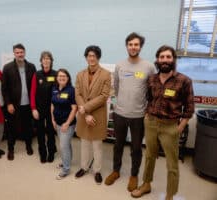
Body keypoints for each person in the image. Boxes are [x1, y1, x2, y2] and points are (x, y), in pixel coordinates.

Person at [131, 45, 195, 200]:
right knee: (149, 156)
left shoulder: (184, 81)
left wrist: (179, 127)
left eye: (168, 57)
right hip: (151, 123)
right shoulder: (152, 79)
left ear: (173, 59)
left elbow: (190, 107)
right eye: (162, 57)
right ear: (157, 60)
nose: (165, 60)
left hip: (170, 127)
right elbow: (148, 98)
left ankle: (169, 194)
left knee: (172, 164)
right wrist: (147, 115)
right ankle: (146, 184)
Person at [105, 32, 156, 191]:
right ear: (126, 46)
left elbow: (152, 91)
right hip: (120, 113)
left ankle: (134, 175)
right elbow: (117, 88)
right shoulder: (120, 65)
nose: (133, 47)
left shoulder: (148, 67)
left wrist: (147, 109)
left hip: (138, 116)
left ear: (140, 46)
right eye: (130, 44)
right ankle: (116, 171)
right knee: (117, 145)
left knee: (135, 148)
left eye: (136, 44)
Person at [74, 45, 111, 184]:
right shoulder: (80, 74)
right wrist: (84, 113)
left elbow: (104, 95)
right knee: (84, 143)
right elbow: (77, 94)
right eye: (89, 56)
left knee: (97, 145)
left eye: (94, 56)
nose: (91, 58)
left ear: (98, 57)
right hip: (84, 115)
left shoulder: (106, 74)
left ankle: (97, 170)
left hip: (97, 115)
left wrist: (86, 108)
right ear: (86, 58)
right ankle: (83, 167)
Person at [1, 43, 36, 160]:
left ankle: (28, 146)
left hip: (28, 104)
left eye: (21, 52)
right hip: (14, 105)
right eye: (17, 52)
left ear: (24, 52)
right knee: (12, 128)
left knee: (28, 127)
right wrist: (8, 103)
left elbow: (34, 86)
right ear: (14, 54)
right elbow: (4, 88)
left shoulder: (31, 67)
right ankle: (11, 149)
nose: (20, 54)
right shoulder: (7, 68)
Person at [30, 51, 57, 163]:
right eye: (44, 59)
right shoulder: (37, 74)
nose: (46, 60)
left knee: (51, 131)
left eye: (48, 58)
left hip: (52, 108)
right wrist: (33, 108)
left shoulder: (56, 74)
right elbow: (32, 92)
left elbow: (59, 91)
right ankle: (42, 152)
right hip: (39, 109)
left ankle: (51, 152)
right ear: (41, 61)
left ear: (51, 61)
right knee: (40, 132)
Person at [51, 69, 77, 179]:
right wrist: (52, 119)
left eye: (64, 76)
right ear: (57, 77)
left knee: (63, 146)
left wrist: (67, 123)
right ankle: (67, 162)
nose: (61, 78)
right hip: (57, 122)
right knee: (66, 145)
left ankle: (66, 169)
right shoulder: (55, 89)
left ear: (68, 78)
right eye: (59, 76)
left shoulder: (71, 90)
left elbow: (74, 108)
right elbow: (52, 105)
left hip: (68, 124)